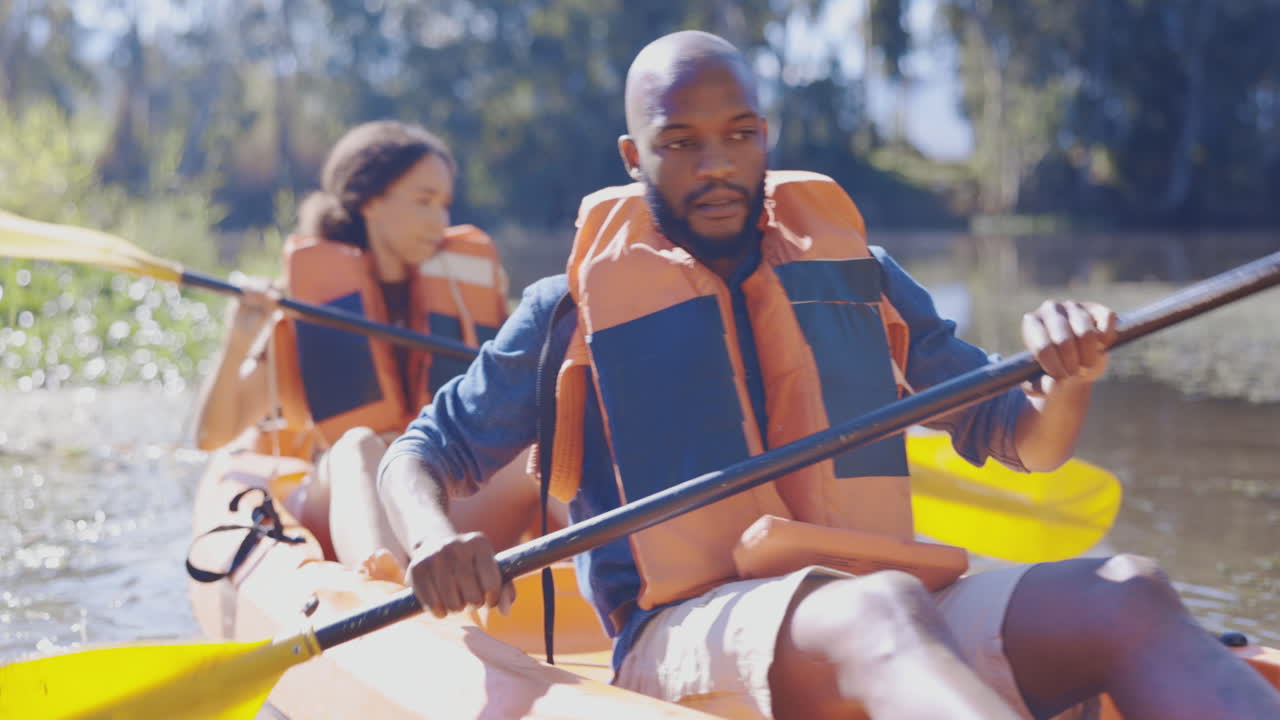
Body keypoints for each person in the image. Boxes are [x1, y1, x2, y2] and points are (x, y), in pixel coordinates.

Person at [369, 33, 1280, 720]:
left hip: (880, 598)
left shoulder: (858, 272)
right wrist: (426, 542)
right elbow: (420, 453)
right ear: (631, 155)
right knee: (874, 607)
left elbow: (1025, 442)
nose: (717, 163)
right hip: (687, 627)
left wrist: (1067, 379)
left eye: (739, 134)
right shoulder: (566, 307)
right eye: (680, 142)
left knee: (1129, 590)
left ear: (767, 135)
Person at [192, 120, 561, 567]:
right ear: (369, 202)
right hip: (344, 511)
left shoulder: (467, 298)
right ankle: (386, 585)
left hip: (441, 509)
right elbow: (213, 436)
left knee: (537, 453)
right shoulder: (313, 308)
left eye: (445, 204)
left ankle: (621, 578)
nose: (440, 221)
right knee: (359, 445)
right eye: (423, 201)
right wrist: (239, 340)